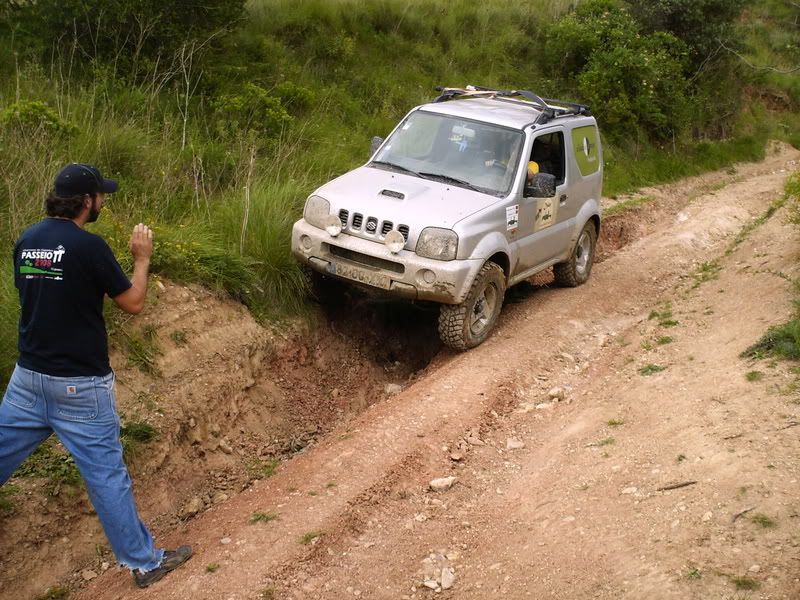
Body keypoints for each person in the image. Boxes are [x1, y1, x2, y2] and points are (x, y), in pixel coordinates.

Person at [0, 163, 191, 589]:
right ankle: (145, 564)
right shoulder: (90, 247)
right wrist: (142, 259)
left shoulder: (27, 241)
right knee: (106, 476)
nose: (103, 200)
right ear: (87, 201)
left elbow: (35, 293)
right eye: (100, 195)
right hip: (80, 388)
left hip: (27, 381)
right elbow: (135, 303)